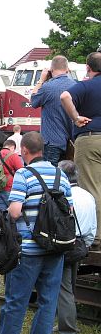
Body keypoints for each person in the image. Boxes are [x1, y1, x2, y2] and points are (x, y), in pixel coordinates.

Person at [0, 132, 72, 334]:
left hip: (30, 250)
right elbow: (69, 211)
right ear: (42, 149)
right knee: (48, 301)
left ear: (24, 150)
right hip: (55, 249)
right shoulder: (60, 175)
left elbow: (14, 211)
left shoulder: (24, 174)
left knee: (16, 300)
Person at [52, 160, 96, 334]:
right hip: (80, 245)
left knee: (63, 289)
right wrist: (85, 245)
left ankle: (68, 332)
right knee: (70, 287)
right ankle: (65, 321)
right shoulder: (88, 195)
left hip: (65, 244)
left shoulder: (64, 195)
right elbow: (93, 226)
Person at [60, 51, 101, 246]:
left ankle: (96, 236)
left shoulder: (85, 85)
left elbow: (65, 96)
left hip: (91, 139)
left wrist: (76, 117)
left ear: (88, 68)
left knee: (91, 187)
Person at [30, 55, 75, 166]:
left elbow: (33, 101)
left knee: (50, 178)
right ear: (67, 70)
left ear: (51, 69)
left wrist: (41, 80)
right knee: (68, 177)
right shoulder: (76, 86)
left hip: (52, 142)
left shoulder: (47, 87)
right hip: (72, 142)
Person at [0, 139, 23, 210]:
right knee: (13, 212)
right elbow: (21, 172)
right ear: (12, 147)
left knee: (2, 214)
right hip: (10, 188)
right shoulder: (14, 156)